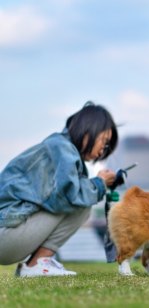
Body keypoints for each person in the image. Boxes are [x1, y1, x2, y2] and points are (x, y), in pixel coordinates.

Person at [0, 101, 118, 277]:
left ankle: (37, 264)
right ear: (89, 130)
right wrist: (99, 183)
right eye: (104, 141)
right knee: (82, 204)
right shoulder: (62, 149)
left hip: (8, 232)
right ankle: (37, 264)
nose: (103, 150)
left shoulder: (59, 147)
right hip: (5, 234)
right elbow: (69, 195)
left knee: (84, 197)